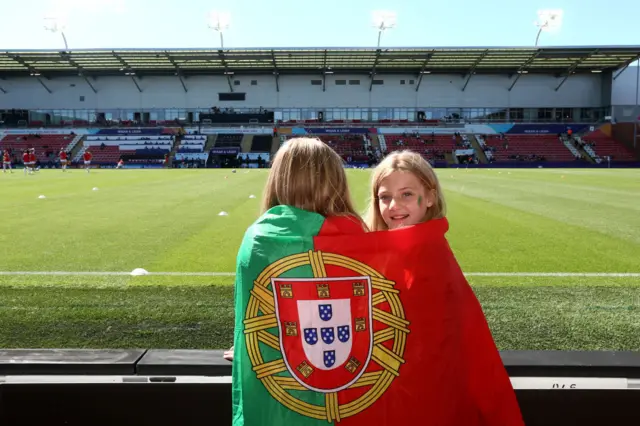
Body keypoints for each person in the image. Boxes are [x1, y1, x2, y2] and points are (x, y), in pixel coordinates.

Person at [225, 137, 364, 363]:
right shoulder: (358, 236)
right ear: (336, 180)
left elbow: (252, 314)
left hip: (277, 379)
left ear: (278, 180)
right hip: (346, 379)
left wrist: (245, 346)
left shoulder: (258, 238)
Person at [366, 150, 445, 231]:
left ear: (430, 198)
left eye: (407, 194)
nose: (394, 206)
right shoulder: (368, 242)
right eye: (385, 197)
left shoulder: (434, 243)